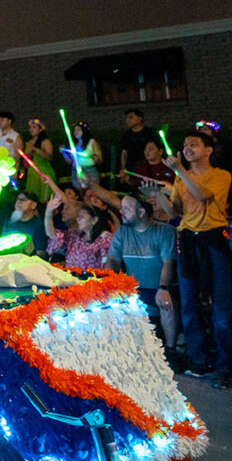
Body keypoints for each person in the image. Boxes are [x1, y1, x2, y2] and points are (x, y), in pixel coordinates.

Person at [164, 131, 232, 388]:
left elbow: (203, 195)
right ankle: (199, 360)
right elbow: (175, 211)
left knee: (221, 310)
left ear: (209, 150)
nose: (187, 147)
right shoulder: (182, 177)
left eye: (193, 144)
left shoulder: (222, 176)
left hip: (213, 240)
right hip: (188, 240)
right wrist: (158, 196)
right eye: (185, 144)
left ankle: (226, 366)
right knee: (189, 305)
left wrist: (180, 170)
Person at [104, 193, 181, 368]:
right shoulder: (122, 232)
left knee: (167, 304)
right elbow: (113, 259)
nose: (121, 211)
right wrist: (109, 283)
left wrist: (163, 287)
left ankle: (171, 350)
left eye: (127, 208)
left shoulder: (164, 231)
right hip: (134, 288)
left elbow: (169, 261)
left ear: (141, 212)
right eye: (121, 207)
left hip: (157, 287)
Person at [45, 197, 113, 270]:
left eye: (82, 216)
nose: (78, 219)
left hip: (91, 280)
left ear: (94, 220)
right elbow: (51, 234)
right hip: (70, 279)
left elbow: (108, 267)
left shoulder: (106, 238)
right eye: (78, 216)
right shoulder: (75, 235)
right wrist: (48, 213)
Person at [1, 191, 48, 258]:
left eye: (23, 200)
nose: (18, 202)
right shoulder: (9, 219)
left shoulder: (39, 224)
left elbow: (40, 253)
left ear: (33, 205)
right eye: (17, 199)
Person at [118, 109, 155, 187]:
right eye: (127, 118)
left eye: (131, 117)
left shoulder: (148, 132)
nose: (128, 120)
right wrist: (123, 168)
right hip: (131, 167)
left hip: (146, 167)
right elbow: (124, 153)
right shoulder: (127, 134)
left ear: (140, 118)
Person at [23, 119, 55, 202]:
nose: (31, 129)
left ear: (40, 129)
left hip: (43, 173)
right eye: (30, 127)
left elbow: (49, 157)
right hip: (32, 174)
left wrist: (35, 149)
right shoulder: (30, 142)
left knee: (44, 200)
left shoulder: (45, 141)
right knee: (32, 199)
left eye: (34, 127)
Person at [64, 121, 103, 187]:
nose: (76, 132)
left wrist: (94, 157)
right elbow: (71, 162)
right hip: (76, 171)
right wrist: (64, 153)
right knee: (81, 192)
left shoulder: (92, 142)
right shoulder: (74, 145)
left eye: (78, 130)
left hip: (89, 170)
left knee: (93, 191)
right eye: (74, 130)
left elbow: (100, 159)